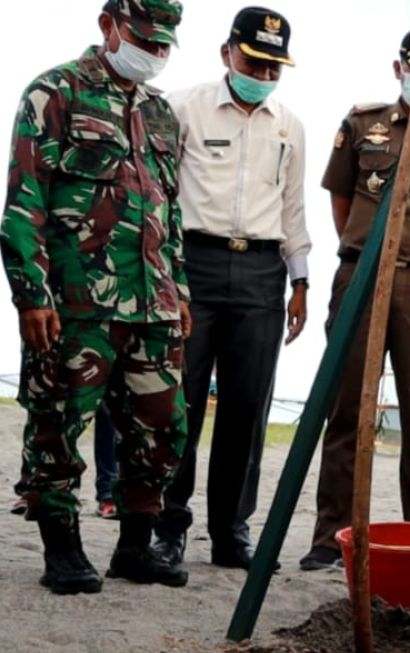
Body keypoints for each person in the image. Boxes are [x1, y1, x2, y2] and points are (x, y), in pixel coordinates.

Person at [0, 0, 191, 594]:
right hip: (77, 303)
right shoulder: (55, 93)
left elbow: (170, 210)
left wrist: (180, 289)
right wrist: (32, 295)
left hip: (153, 304)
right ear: (107, 24)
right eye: (144, 39)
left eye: (163, 45)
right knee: (58, 426)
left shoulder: (161, 115)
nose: (153, 53)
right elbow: (24, 203)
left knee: (163, 430)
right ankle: (63, 551)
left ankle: (135, 548)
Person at [299, 27, 410, 573]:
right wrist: (371, 252)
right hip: (360, 273)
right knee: (348, 407)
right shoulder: (362, 125)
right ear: (399, 65)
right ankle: (331, 537)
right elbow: (342, 203)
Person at [151, 7, 309, 570]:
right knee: (181, 403)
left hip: (263, 273)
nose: (263, 76)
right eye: (254, 63)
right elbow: (160, 196)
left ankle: (230, 530)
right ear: (227, 53)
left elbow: (293, 210)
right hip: (194, 264)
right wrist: (165, 271)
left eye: (274, 69)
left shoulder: (289, 125)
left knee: (247, 407)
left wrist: (301, 280)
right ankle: (168, 525)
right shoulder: (182, 108)